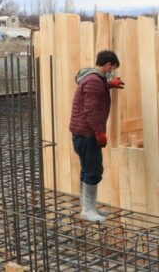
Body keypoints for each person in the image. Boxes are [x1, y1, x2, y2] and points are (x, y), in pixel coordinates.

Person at [69, 50, 125, 223]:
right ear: (107, 65)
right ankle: (87, 210)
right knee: (93, 171)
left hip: (82, 133)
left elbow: (95, 89)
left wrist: (109, 85)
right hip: (87, 134)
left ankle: (89, 208)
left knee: (88, 169)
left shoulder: (93, 79)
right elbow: (91, 110)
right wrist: (99, 132)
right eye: (112, 68)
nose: (112, 72)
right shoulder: (94, 81)